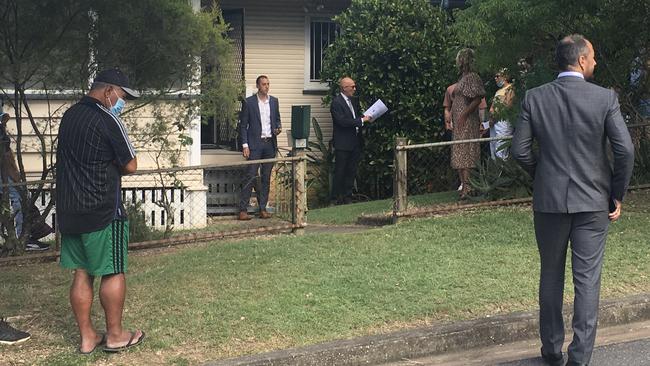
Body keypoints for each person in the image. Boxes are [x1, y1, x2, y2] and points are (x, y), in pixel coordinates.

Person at [512, 34, 634, 366]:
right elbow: (625, 150)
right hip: (594, 202)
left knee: (550, 274)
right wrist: (615, 194)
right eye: (592, 57)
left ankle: (551, 351)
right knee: (587, 278)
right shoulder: (604, 98)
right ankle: (580, 357)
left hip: (549, 201)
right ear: (580, 60)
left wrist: (542, 175)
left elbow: (519, 151)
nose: (595, 62)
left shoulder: (534, 97)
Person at [57, 68, 145, 354]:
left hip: (70, 209)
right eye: (122, 96)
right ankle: (116, 335)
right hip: (103, 210)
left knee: (82, 272)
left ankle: (87, 337)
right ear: (108, 92)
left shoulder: (69, 116)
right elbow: (130, 164)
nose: (123, 103)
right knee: (113, 270)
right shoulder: (107, 119)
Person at [0, 107, 50, 252]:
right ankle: (22, 239)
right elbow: (5, 155)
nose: (4, 123)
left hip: (6, 171)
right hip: (4, 172)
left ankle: (26, 236)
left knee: (22, 196)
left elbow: (7, 154)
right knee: (17, 198)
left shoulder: (2, 133)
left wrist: (14, 173)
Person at [238, 75, 282, 221]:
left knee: (266, 176)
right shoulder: (249, 102)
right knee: (250, 175)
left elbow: (277, 120)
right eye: (264, 84)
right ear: (258, 86)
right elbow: (243, 125)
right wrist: (245, 145)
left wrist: (278, 128)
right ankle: (243, 210)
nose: (266, 86)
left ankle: (262, 208)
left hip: (269, 143)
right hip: (254, 144)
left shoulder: (274, 101)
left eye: (268, 84)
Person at [450, 49, 485, 200]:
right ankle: (464, 186)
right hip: (459, 122)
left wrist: (464, 114)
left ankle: (468, 187)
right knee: (459, 153)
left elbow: (477, 98)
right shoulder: (462, 77)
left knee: (466, 152)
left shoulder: (472, 77)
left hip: (467, 121)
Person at [330, 77, 372, 204]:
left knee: (351, 170)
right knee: (340, 171)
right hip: (343, 143)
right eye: (352, 87)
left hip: (354, 141)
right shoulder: (336, 102)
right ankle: (335, 198)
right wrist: (361, 121)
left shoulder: (353, 101)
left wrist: (365, 118)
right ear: (344, 88)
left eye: (354, 86)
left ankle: (348, 196)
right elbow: (342, 121)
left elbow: (355, 117)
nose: (354, 89)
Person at [443, 83, 487, 192]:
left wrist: (481, 124)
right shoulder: (451, 89)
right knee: (459, 156)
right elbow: (447, 109)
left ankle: (468, 183)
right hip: (457, 129)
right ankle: (464, 183)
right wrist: (447, 122)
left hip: (470, 128)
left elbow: (481, 108)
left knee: (468, 156)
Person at [488, 68, 515, 160]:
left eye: (497, 76)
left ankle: (503, 172)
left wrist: (496, 115)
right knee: (493, 147)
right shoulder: (498, 91)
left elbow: (508, 105)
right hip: (494, 122)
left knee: (501, 149)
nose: (495, 78)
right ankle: (495, 171)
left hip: (503, 122)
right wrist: (491, 118)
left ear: (505, 76)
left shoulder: (511, 88)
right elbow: (492, 107)